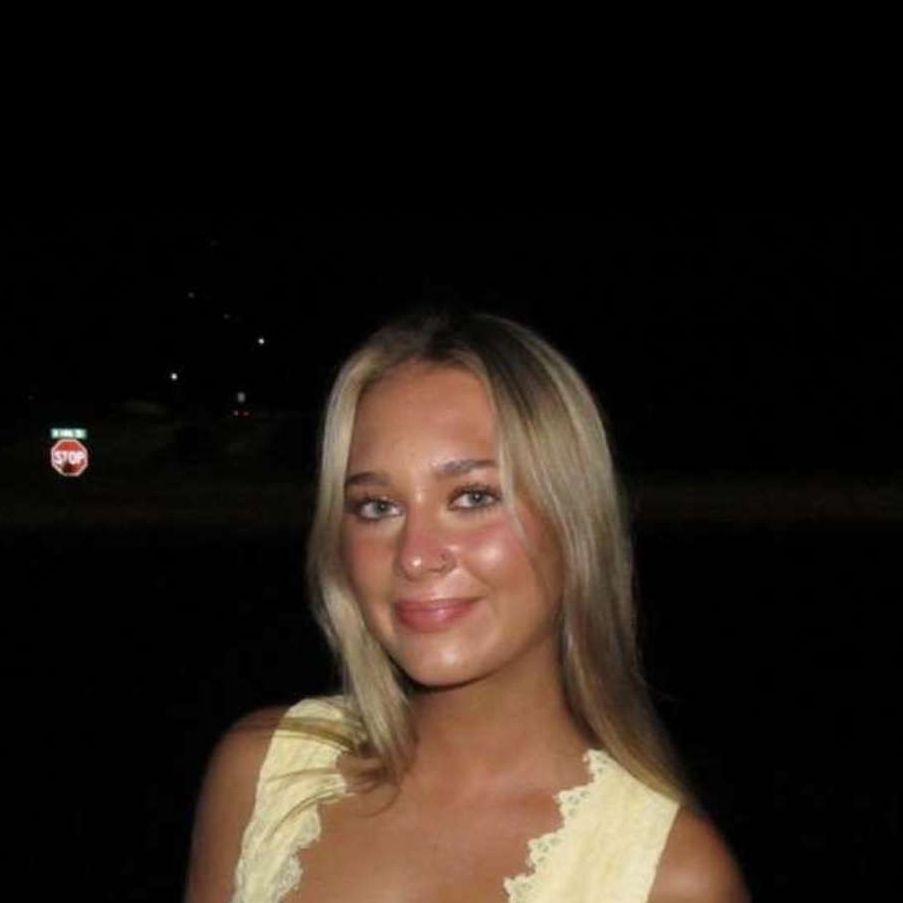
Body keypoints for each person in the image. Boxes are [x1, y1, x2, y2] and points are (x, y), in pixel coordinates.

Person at [185, 305, 751, 902]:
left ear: (574, 520)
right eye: (378, 506)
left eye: (473, 497)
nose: (415, 555)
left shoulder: (670, 878)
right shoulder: (266, 778)